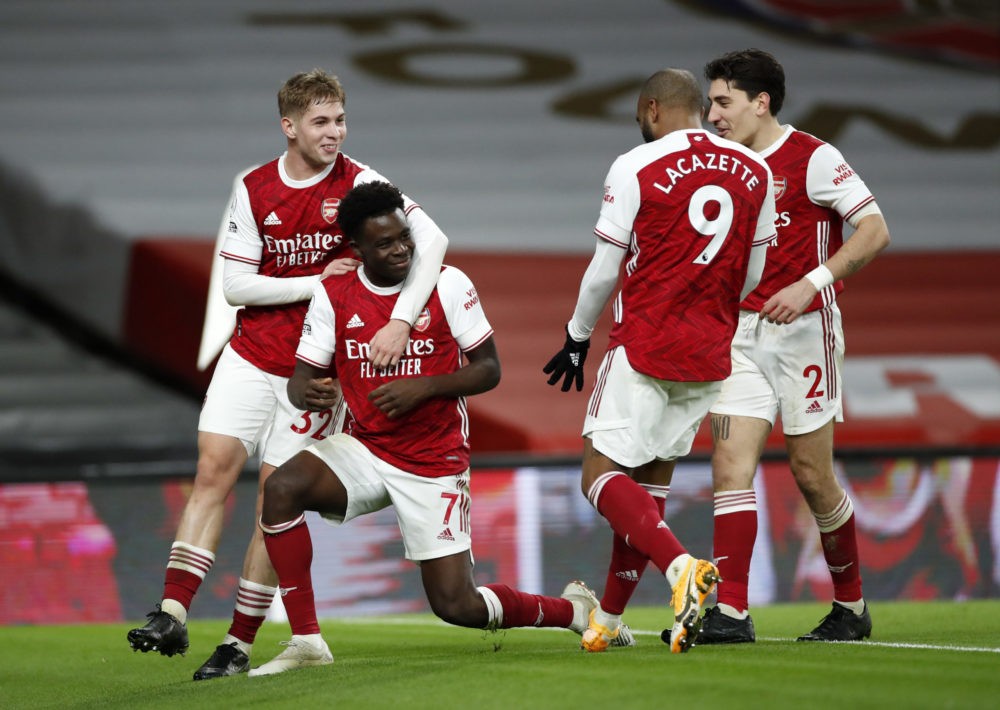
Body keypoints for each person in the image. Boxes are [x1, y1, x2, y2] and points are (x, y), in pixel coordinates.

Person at [126, 70, 449, 679]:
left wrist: (401, 320)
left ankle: (238, 643)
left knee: (273, 505)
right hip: (250, 356)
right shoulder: (253, 187)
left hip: (316, 373)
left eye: (341, 120)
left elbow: (434, 240)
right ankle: (171, 610)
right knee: (212, 470)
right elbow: (235, 284)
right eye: (322, 122)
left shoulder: (363, 182)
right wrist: (319, 281)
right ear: (290, 126)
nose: (335, 133)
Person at [250, 181, 600, 675]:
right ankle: (307, 639)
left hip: (433, 461)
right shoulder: (334, 293)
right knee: (282, 488)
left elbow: (489, 369)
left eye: (404, 237)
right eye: (384, 244)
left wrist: (424, 387)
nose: (400, 250)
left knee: (457, 606)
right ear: (357, 249)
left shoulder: (448, 282)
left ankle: (572, 611)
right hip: (366, 448)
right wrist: (311, 392)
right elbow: (301, 378)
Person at [543, 68, 776, 653]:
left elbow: (605, 267)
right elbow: (752, 273)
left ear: (651, 110)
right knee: (647, 495)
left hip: (646, 343)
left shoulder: (635, 165)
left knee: (599, 477)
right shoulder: (757, 169)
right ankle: (609, 620)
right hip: (709, 354)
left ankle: (681, 569)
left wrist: (575, 336)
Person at [695, 49, 890, 644]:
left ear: (761, 102)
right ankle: (731, 613)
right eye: (709, 102)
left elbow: (875, 229)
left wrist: (812, 283)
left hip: (805, 334)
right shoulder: (716, 162)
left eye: (724, 102)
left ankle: (851, 607)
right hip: (738, 337)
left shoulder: (812, 157)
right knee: (730, 467)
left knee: (811, 474)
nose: (713, 114)